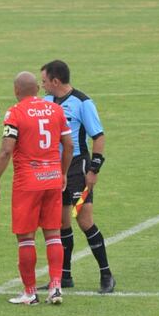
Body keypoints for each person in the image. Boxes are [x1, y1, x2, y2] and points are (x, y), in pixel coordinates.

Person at [0, 71, 73, 305]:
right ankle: (56, 286)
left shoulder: (15, 112)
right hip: (53, 178)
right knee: (53, 234)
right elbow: (68, 145)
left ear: (17, 91)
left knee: (26, 237)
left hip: (28, 182)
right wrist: (63, 172)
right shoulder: (56, 110)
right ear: (37, 88)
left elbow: (7, 150)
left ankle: (30, 292)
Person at [38, 60, 114, 293]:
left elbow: (98, 137)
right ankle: (65, 276)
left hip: (78, 168)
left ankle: (106, 274)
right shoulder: (46, 102)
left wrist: (94, 170)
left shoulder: (82, 102)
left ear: (55, 81)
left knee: (84, 220)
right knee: (61, 222)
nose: (42, 86)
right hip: (55, 169)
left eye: (44, 81)